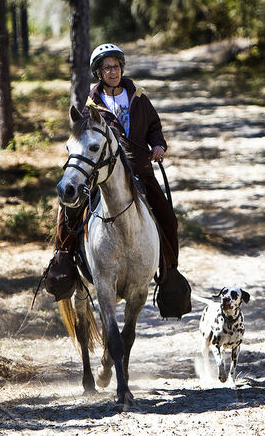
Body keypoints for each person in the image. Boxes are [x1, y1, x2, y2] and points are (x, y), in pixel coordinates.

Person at [43, 43, 183, 307]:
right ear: (98, 72)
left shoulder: (139, 97)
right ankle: (64, 264)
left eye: (116, 66)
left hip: (141, 171)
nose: (113, 71)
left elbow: (154, 126)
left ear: (121, 68)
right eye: (107, 67)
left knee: (168, 218)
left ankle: (169, 276)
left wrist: (158, 145)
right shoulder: (90, 105)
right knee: (69, 209)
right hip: (104, 176)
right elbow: (84, 140)